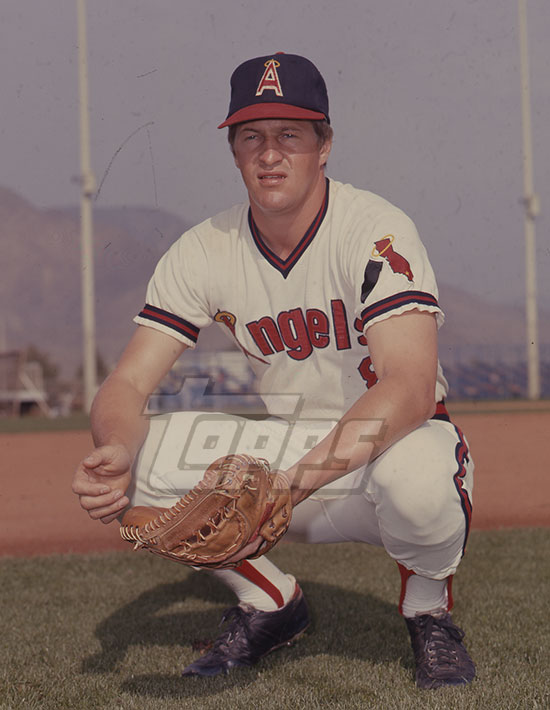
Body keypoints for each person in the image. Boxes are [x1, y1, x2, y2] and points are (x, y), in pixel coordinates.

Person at [72, 52, 475, 690]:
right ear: (233, 151)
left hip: (387, 447)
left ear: (324, 144)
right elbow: (125, 383)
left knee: (420, 482)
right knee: (134, 465)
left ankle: (429, 615)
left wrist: (288, 487)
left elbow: (410, 386)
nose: (269, 154)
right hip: (289, 452)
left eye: (290, 134)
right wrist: (115, 448)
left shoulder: (374, 229)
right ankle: (271, 603)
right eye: (251, 136)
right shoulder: (205, 248)